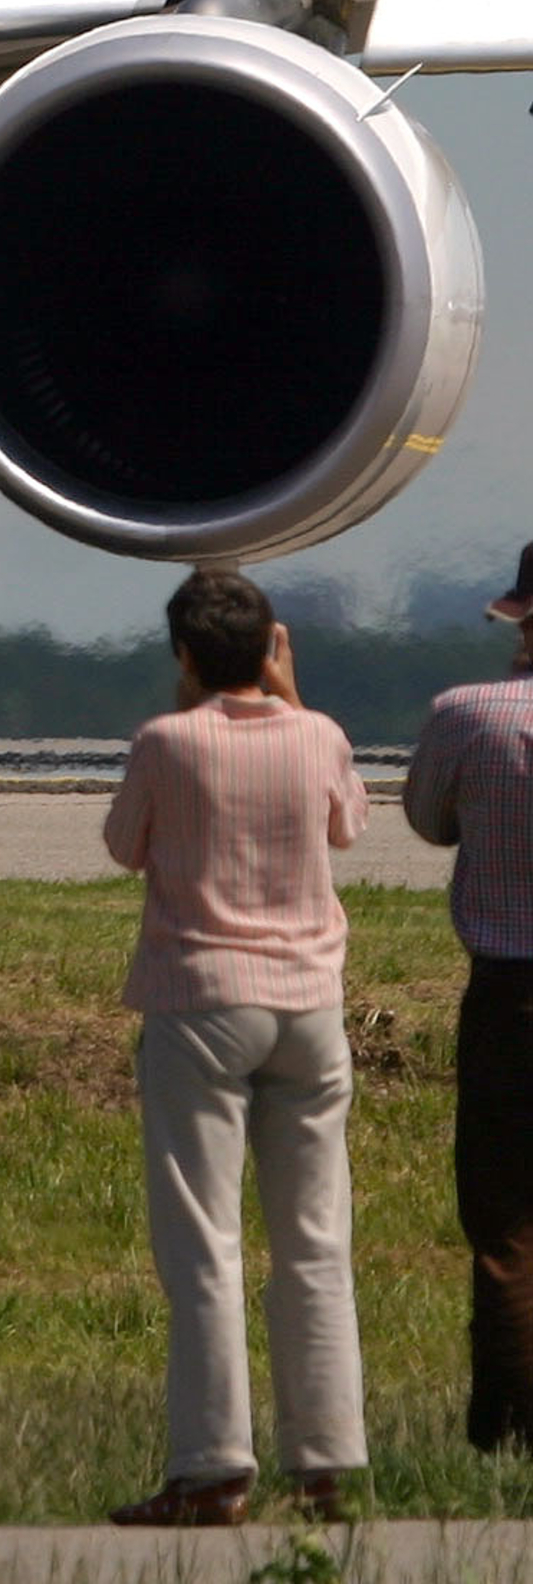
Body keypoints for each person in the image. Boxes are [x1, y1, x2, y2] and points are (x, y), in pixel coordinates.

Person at [100, 566, 369, 1527]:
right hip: (308, 1004)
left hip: (201, 998)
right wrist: (290, 700)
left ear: (183, 655)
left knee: (204, 1243)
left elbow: (123, 845)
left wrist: (191, 707)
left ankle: (212, 1466)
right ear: (269, 648)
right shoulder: (321, 737)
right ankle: (329, 1461)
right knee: (313, 1238)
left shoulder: (165, 742)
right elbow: (348, 825)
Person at [403, 541, 533, 1451]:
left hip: (508, 994)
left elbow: (425, 819)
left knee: (504, 1223)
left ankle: (509, 1427)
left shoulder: (469, 712)